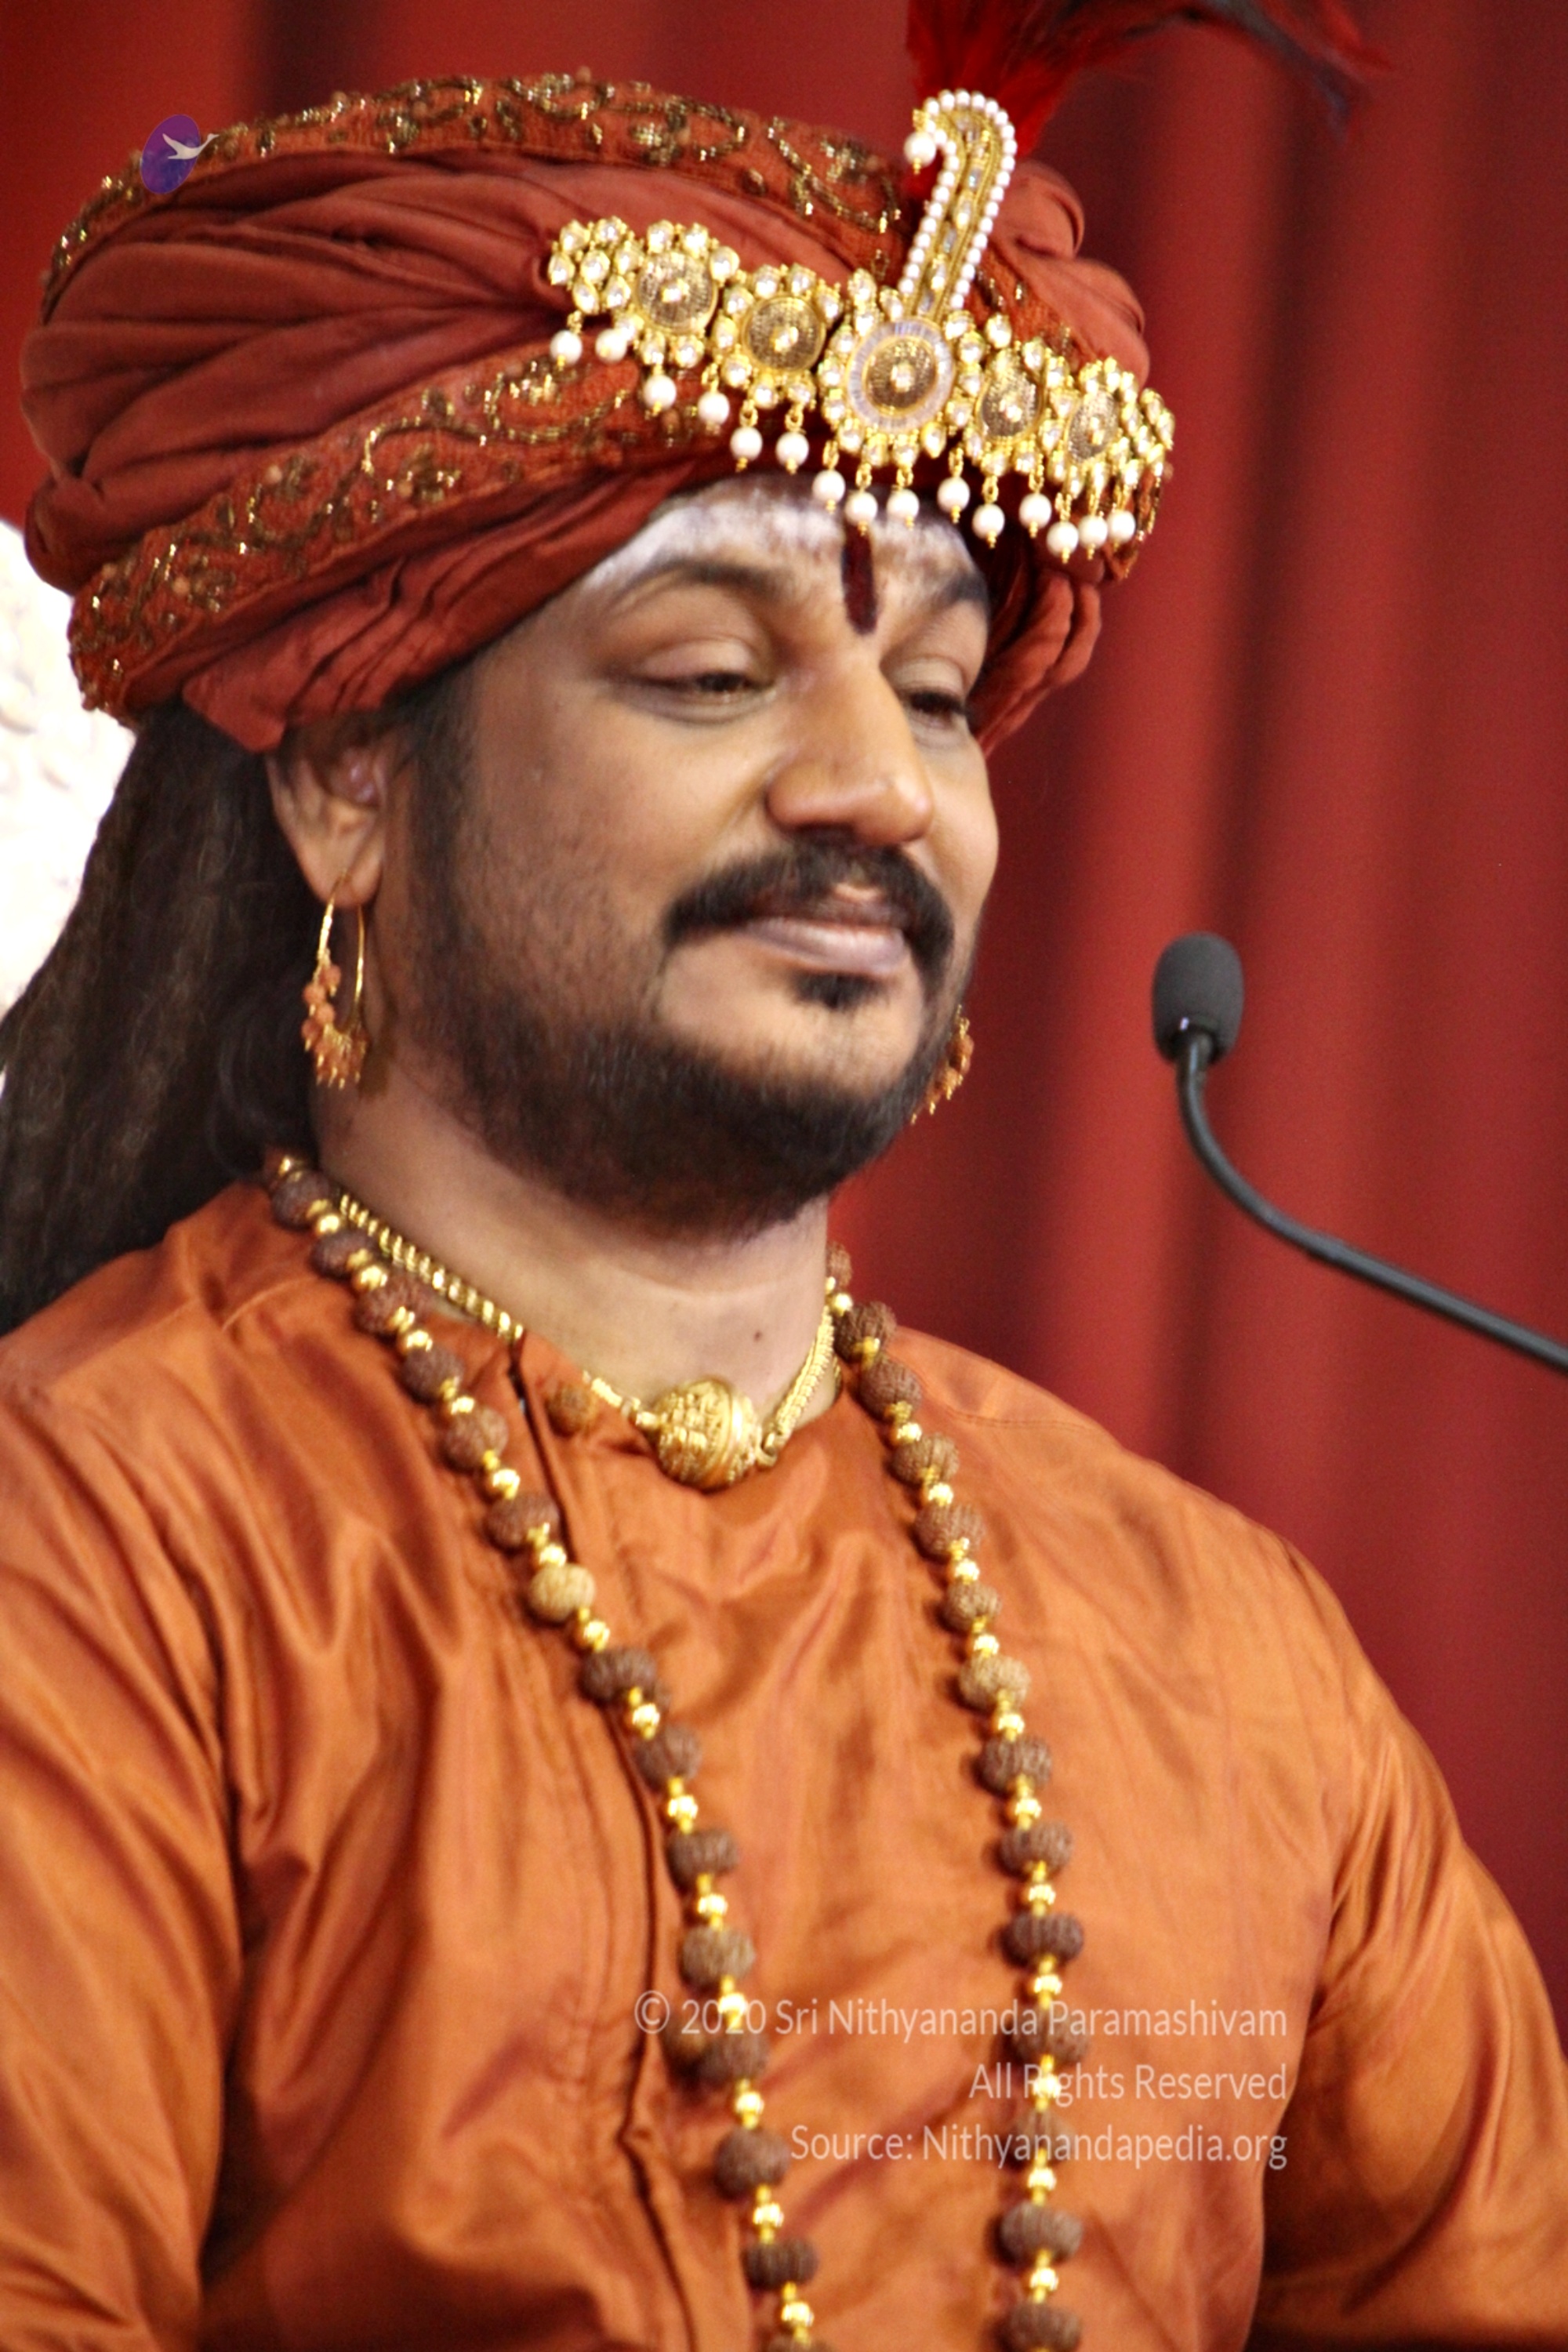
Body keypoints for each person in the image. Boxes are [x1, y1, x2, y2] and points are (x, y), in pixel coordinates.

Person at [1, 9, 1565, 2351]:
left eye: (935, 692)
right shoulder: (103, 1548)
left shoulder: (1223, 1650)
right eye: (712, 675)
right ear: (345, 785)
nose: (880, 787)